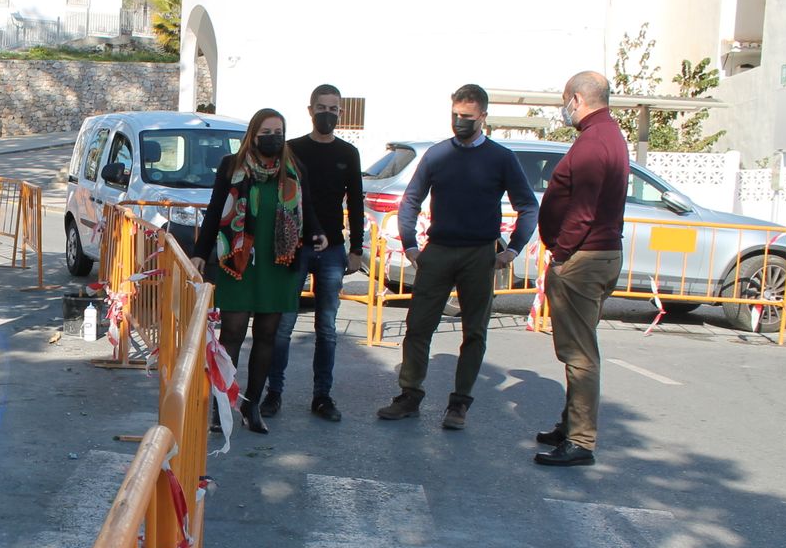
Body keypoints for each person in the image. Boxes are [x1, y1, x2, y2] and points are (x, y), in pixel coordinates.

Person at [376, 84, 539, 428]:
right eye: (455, 115)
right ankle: (409, 395)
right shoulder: (437, 155)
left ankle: (459, 404)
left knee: (474, 331)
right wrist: (409, 245)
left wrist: (513, 248)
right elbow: (411, 201)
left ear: (483, 116)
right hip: (438, 251)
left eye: (467, 117)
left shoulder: (501, 158)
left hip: (480, 254)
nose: (459, 122)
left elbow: (528, 206)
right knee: (418, 326)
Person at [193, 108, 327, 434]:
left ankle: (252, 406)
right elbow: (215, 212)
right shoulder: (232, 167)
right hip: (238, 263)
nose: (274, 137)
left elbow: (306, 207)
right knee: (233, 333)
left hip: (279, 264)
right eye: (267, 131)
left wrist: (317, 232)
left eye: (278, 131)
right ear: (253, 135)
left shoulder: (294, 168)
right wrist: (200, 253)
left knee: (268, 335)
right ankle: (220, 404)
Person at [534, 71, 627, 467]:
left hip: (583, 258)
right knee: (578, 348)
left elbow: (583, 210)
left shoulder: (594, 142)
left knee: (579, 353)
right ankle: (570, 424)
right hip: (596, 254)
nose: (564, 108)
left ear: (576, 99)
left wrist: (561, 252)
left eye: (564, 100)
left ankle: (580, 440)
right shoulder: (608, 135)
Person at [260, 84, 365, 422]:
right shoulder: (291, 150)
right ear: (310, 110)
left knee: (327, 328)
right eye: (322, 107)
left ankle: (322, 396)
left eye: (333, 109)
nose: (327, 114)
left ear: (340, 113)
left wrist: (357, 249)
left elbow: (357, 202)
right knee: (283, 325)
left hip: (333, 250)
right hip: (295, 248)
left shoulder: (348, 153)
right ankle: (273, 392)